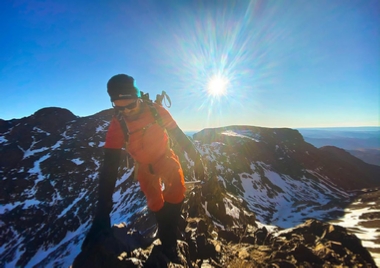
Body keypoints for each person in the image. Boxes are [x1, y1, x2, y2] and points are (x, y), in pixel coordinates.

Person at [82, 74, 205, 262]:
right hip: (145, 168)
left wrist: (197, 158)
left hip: (165, 159)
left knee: (178, 192)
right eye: (118, 106)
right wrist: (102, 210)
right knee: (155, 203)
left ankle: (169, 240)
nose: (126, 111)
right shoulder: (118, 123)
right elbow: (110, 165)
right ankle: (166, 228)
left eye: (130, 104)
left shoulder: (157, 111)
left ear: (138, 97)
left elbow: (178, 135)